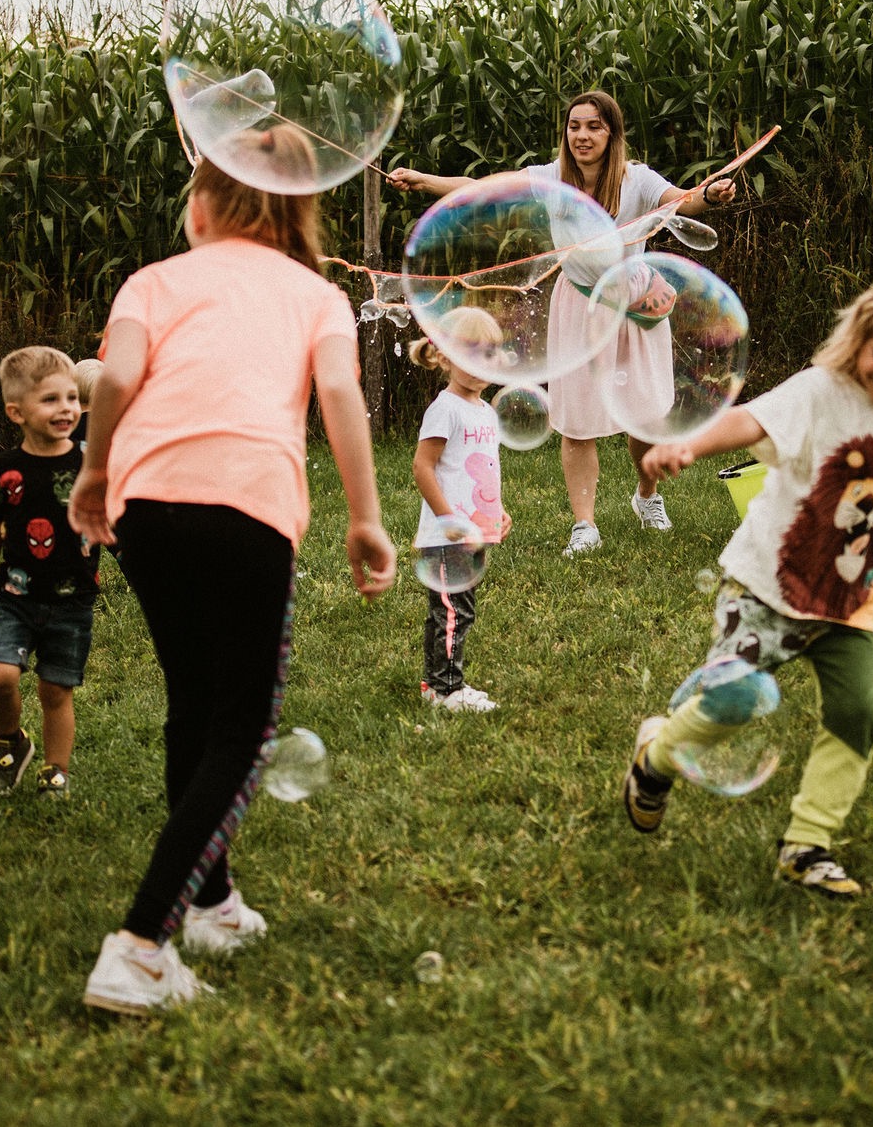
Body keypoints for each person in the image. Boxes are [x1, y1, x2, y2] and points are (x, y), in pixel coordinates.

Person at [68, 130, 396, 1014]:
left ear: (204, 206)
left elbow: (113, 380)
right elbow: (340, 397)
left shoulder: (153, 280)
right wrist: (365, 516)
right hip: (248, 508)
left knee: (194, 701)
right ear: (295, 215)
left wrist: (94, 473)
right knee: (241, 730)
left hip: (146, 509)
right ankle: (139, 946)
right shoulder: (318, 295)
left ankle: (211, 903)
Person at [624, 262, 873, 897]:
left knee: (855, 714)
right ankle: (655, 758)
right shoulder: (820, 390)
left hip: (850, 604)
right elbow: (751, 422)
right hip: (767, 587)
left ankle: (808, 844)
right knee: (732, 701)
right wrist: (691, 446)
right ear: (861, 332)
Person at [389, 89, 735, 556]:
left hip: (634, 304)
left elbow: (684, 203)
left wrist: (710, 195)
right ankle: (584, 525)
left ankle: (646, 496)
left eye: (593, 126)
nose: (582, 136)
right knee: (576, 423)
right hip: (580, 304)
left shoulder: (636, 180)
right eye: (574, 126)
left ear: (611, 133)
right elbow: (485, 186)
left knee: (646, 418)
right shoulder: (551, 178)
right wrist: (423, 180)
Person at [0, 347, 97, 797]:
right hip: (16, 596)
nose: (66, 409)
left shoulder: (89, 463)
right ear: (16, 412)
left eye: (71, 398)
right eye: (50, 400)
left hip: (73, 599)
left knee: (55, 690)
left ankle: (55, 770)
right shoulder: (6, 470)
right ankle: (11, 742)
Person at [409, 308, 512, 713]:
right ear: (444, 357)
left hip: (473, 531)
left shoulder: (485, 412)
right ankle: (448, 690)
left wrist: (498, 511)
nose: (481, 362)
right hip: (448, 535)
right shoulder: (446, 409)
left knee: (448, 612)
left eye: (489, 353)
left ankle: (434, 683)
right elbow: (423, 466)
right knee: (455, 613)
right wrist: (447, 519)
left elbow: (483, 472)